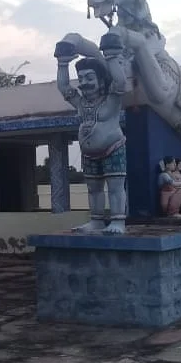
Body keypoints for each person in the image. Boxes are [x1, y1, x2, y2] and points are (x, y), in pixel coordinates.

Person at [55, 32, 127, 233]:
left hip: (113, 148)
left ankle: (118, 222)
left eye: (89, 77)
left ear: (101, 80)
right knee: (94, 189)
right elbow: (63, 87)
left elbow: (121, 83)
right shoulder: (81, 102)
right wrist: (62, 63)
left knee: (114, 187)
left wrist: (111, 57)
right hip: (89, 153)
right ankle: (96, 220)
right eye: (81, 78)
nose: (84, 82)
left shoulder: (111, 99)